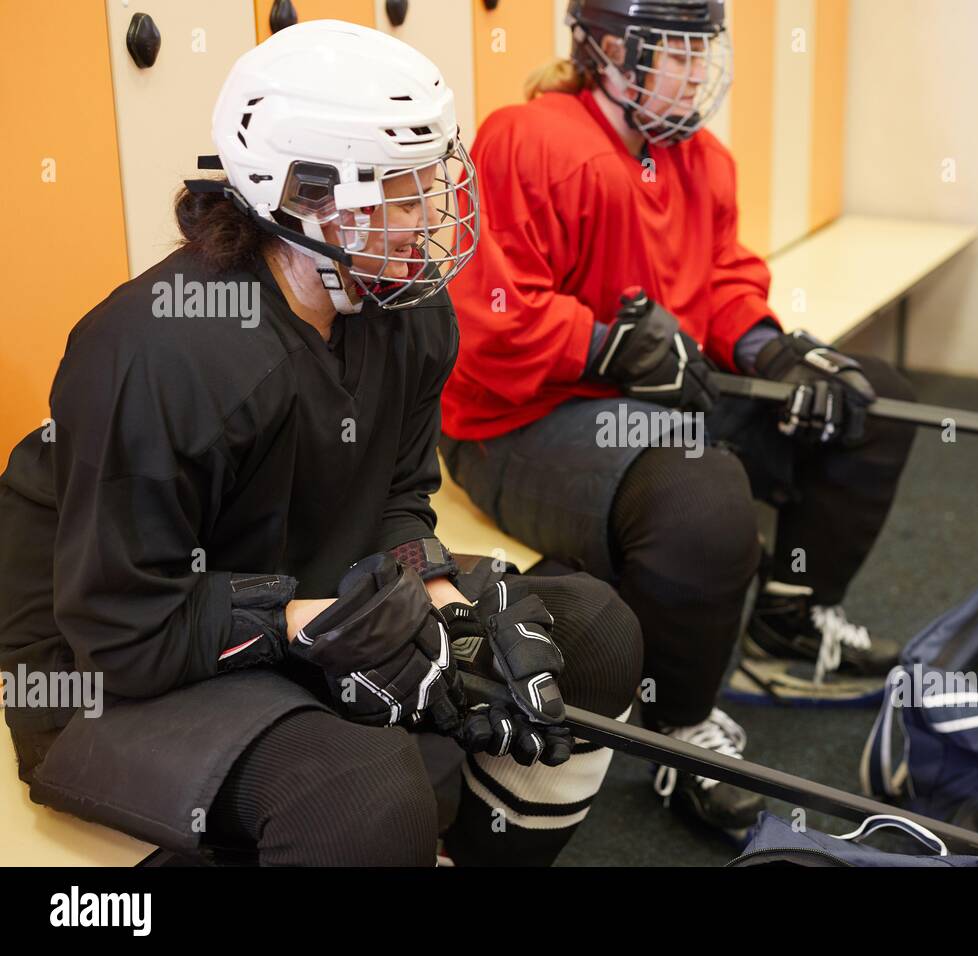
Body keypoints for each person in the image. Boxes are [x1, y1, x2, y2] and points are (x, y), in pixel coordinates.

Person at [0, 20, 642, 867]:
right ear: (301, 194)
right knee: (359, 798)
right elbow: (120, 629)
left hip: (296, 583)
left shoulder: (407, 309)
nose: (432, 220)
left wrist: (450, 603)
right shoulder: (159, 353)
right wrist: (312, 626)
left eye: (432, 181)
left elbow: (397, 502)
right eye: (402, 192)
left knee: (590, 632)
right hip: (104, 663)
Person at [439, 0, 917, 837]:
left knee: (867, 401)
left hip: (664, 398)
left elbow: (726, 277)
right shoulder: (530, 139)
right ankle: (678, 726)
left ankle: (784, 631)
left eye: (705, 52)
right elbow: (489, 320)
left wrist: (771, 351)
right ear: (610, 50)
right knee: (705, 496)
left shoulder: (701, 160)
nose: (699, 73)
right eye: (679, 52)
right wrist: (603, 348)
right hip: (522, 420)